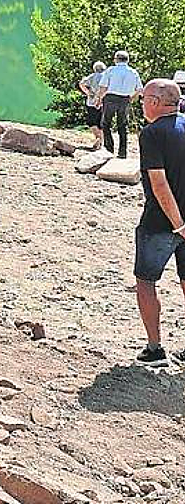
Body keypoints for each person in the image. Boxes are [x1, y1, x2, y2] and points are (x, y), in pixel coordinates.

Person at [131, 79, 185, 366]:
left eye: (142, 99)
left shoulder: (152, 134)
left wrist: (178, 224)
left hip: (161, 223)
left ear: (154, 101)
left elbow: (160, 184)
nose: (140, 104)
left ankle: (155, 349)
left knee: (146, 281)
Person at [96, 50, 144, 159]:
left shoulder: (111, 70)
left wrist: (99, 99)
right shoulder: (133, 72)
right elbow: (140, 89)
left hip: (110, 98)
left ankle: (109, 149)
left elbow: (103, 87)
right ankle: (122, 153)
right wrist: (132, 97)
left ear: (116, 59)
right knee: (123, 126)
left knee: (105, 124)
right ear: (127, 60)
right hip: (125, 99)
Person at [79, 60, 107, 149]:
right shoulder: (106, 77)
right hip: (103, 103)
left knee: (92, 122)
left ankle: (98, 138)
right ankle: (101, 141)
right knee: (101, 123)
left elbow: (82, 83)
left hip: (91, 102)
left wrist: (87, 92)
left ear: (95, 69)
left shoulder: (92, 76)